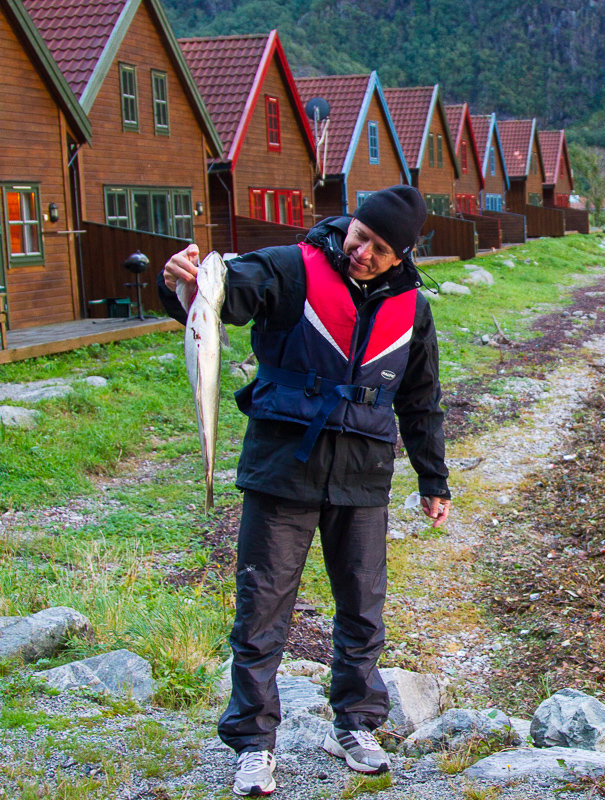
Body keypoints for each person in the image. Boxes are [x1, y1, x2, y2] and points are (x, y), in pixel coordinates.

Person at [160, 185, 452, 797]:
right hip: (282, 467)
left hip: (363, 475)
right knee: (262, 606)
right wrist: (181, 283)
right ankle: (254, 744)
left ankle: (354, 723)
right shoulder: (290, 267)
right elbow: (224, 298)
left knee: (363, 607)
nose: (360, 251)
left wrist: (433, 479)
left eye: (378, 247)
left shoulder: (413, 309)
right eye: (359, 235)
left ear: (402, 255)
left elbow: (421, 401)